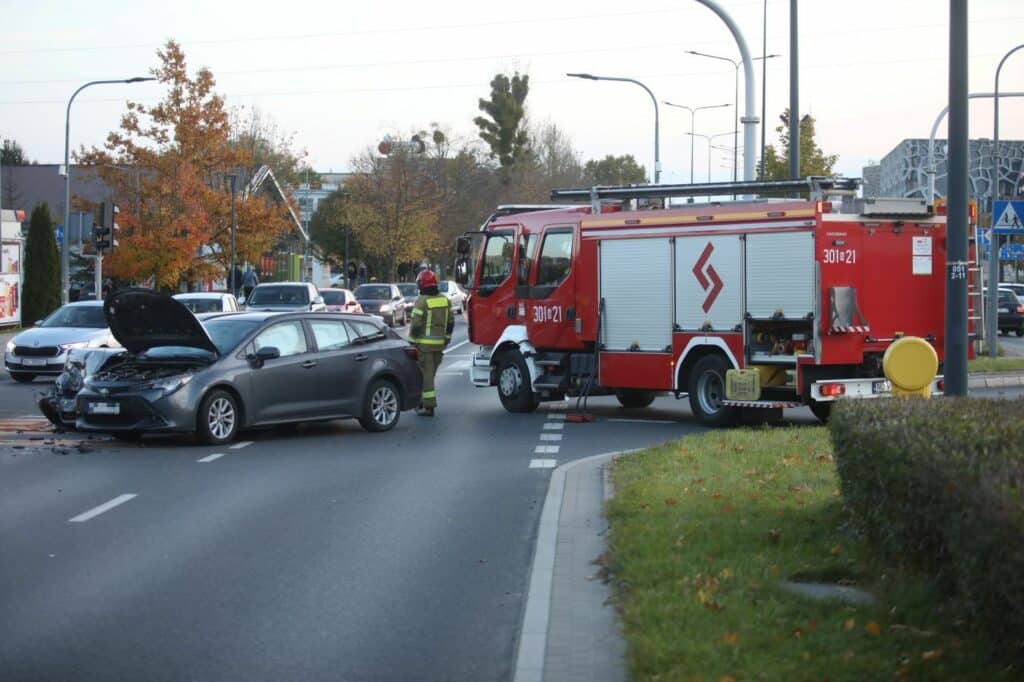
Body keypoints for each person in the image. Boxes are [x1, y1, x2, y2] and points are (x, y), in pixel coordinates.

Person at [407, 269, 453, 416]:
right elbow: (451, 322)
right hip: (439, 345)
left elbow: (415, 325)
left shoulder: (422, 301)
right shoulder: (445, 300)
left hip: (424, 346)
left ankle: (428, 406)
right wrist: (446, 339)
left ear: (423, 284)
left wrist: (411, 342)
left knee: (426, 375)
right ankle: (422, 400)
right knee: (430, 375)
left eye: (419, 283)